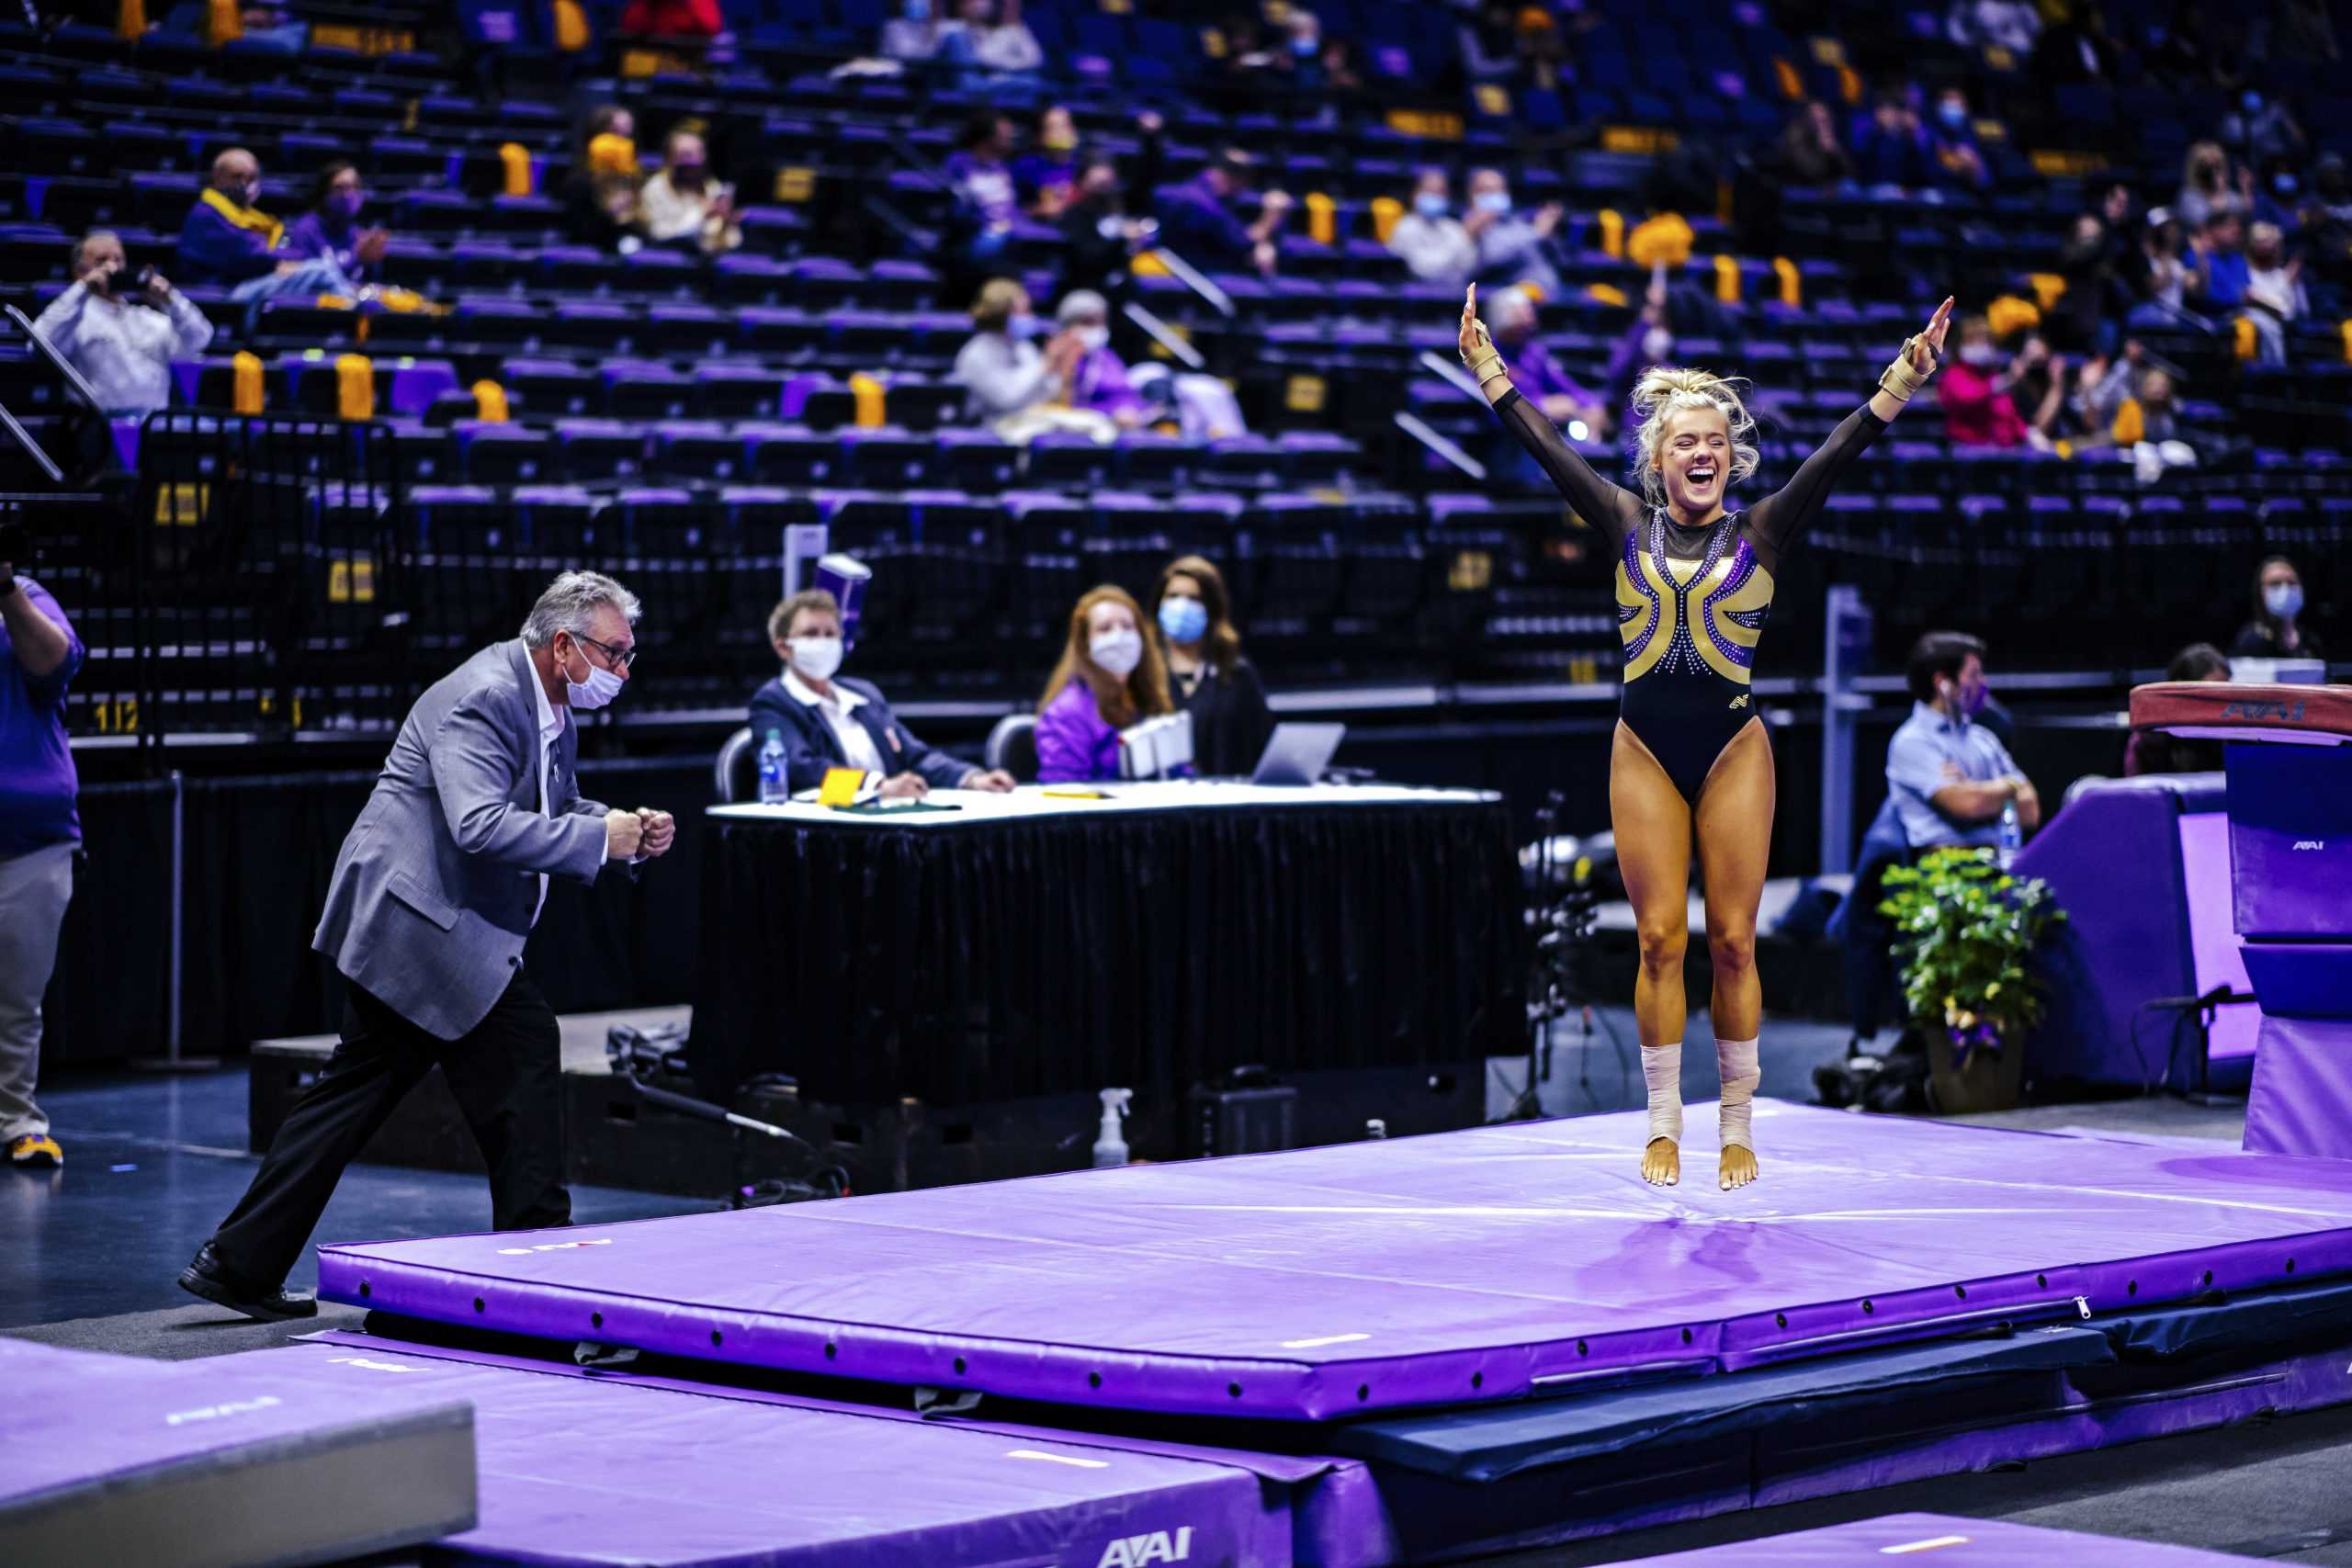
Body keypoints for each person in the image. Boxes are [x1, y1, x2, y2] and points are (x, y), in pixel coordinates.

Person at [1461, 280, 1955, 1191]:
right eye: (1684, 440)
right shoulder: (1620, 521)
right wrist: (1491, 373)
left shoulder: (1762, 533)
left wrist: (1900, 380)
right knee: (1658, 943)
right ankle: (1659, 1124)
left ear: (1732, 459)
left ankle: (1736, 1126)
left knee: (1733, 940)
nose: (1701, 453)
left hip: (1733, 750)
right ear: (1657, 457)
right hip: (1642, 747)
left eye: (1715, 442)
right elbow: (1537, 448)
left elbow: (1840, 453)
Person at [178, 572, 675, 1320]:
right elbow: (479, 822)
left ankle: (240, 1261)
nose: (622, 672)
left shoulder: (552, 707)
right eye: (616, 654)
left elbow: (554, 804)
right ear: (565, 645)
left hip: (440, 930)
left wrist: (620, 825)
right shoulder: (484, 696)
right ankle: (535, 1257)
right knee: (516, 1048)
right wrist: (601, 840)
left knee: (366, 1089)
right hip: (418, 927)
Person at [748, 589, 1013, 798]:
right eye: (811, 634)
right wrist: (875, 785)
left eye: (831, 634)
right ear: (783, 647)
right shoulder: (773, 703)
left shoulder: (863, 694)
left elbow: (914, 756)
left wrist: (971, 778)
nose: (823, 642)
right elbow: (801, 770)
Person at [0, 535, 82, 1170]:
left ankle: (19, 1121)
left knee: (18, 999)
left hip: (31, 836)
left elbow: (54, 661)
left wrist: (3, 589)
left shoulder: (25, 596)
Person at [1885, 630, 2041, 853]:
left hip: (1999, 862)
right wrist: (2011, 787)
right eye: (1974, 675)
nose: (1983, 683)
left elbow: (2030, 812)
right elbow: (1968, 805)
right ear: (1943, 683)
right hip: (1944, 870)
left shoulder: (1984, 738)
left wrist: (1982, 788)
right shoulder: (1912, 741)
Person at [30, 231, 212, 417]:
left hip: (153, 426)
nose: (112, 267)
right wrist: (83, 288)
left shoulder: (148, 319)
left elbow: (200, 339)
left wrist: (171, 300)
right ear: (80, 271)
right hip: (99, 426)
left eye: (118, 259)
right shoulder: (73, 320)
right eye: (101, 261)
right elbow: (37, 343)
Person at [176, 148, 359, 309]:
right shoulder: (208, 213)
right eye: (237, 176)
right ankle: (358, 315)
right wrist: (285, 261)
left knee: (316, 281)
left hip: (248, 284)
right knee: (320, 269)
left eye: (252, 177)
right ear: (217, 177)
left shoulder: (244, 214)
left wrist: (283, 261)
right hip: (223, 295)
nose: (245, 184)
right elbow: (251, 254)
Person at [1035, 585, 1172, 784]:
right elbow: (1064, 792)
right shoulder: (1066, 713)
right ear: (1085, 644)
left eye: (1127, 626)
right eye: (1105, 628)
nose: (1119, 636)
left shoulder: (1149, 698)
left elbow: (1177, 772)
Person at [1152, 557, 1271, 778]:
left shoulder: (1237, 674)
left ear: (1212, 608)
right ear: (1159, 604)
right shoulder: (1143, 674)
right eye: (1173, 596)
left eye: (1194, 598)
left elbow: (1263, 750)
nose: (1182, 606)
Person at [951, 278, 1111, 441]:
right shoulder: (976, 353)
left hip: (1028, 421)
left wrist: (1063, 369)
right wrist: (1046, 363)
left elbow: (1048, 395)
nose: (1030, 317)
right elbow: (1008, 400)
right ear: (1000, 313)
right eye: (1023, 312)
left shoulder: (1024, 348)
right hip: (987, 430)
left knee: (1096, 428)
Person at [1485, 285, 1609, 438]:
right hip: (1509, 439)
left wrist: (1591, 405)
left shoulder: (1533, 352)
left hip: (1545, 432)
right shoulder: (1486, 359)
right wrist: (1540, 407)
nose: (1529, 322)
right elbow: (1493, 411)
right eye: (1520, 317)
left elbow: (1565, 385)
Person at [1156, 149, 1289, 277]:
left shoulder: (1192, 189)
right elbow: (1243, 244)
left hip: (1180, 270)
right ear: (1228, 177)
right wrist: (1271, 216)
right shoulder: (1205, 205)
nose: (1242, 190)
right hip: (1192, 276)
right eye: (1241, 182)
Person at [1939, 317, 2052, 450]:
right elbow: (1968, 399)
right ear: (1960, 344)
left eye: (1987, 340)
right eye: (1974, 340)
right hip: (1968, 449)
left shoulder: (1991, 375)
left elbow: (2008, 413)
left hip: (2001, 450)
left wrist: (2028, 433)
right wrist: (2005, 381)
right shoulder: (1953, 374)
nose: (1983, 345)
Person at [2124, 643, 2230, 775]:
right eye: (2211, 693)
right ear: (2180, 686)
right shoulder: (2150, 738)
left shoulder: (2231, 735)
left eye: (2225, 692)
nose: (2219, 702)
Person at [283, 163, 389, 288]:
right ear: (324, 194)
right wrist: (357, 259)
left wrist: (370, 260)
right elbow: (306, 281)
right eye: (339, 188)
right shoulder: (306, 230)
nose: (348, 195)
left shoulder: (356, 234)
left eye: (354, 187)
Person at [637, 127, 740, 254]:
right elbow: (660, 235)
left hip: (707, 263)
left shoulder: (712, 188)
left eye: (699, 154)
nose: (694, 161)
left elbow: (729, 242)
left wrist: (727, 225)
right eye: (685, 155)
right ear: (669, 158)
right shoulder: (655, 189)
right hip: (669, 261)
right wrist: (701, 215)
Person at [1464, 167, 1563, 297]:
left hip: (1548, 293)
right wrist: (1537, 233)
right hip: (1507, 295)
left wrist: (1549, 233)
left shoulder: (1518, 223)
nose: (1494, 196)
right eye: (1487, 191)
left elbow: (1556, 256)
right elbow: (1492, 259)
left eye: (1499, 190)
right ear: (1471, 194)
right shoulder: (1471, 226)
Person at [1388, 168, 1477, 288]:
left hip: (1452, 294)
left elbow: (1467, 267)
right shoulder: (1403, 227)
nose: (1435, 196)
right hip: (1415, 293)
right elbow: (1421, 269)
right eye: (1429, 191)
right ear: (1415, 195)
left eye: (1440, 192)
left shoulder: (1455, 228)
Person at [2231, 556, 2324, 660]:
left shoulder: (2310, 641)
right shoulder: (2250, 640)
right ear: (2261, 592)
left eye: (2291, 583)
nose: (2285, 590)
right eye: (2275, 584)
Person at [2241, 220, 2306, 365]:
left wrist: (2293, 284)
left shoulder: (2284, 276)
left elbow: (2291, 312)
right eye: (2261, 242)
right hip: (2253, 335)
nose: (2267, 247)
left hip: (2284, 333)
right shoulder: (2245, 273)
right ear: (2251, 245)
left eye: (2271, 242)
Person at [1013, 104, 1081, 216]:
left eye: (1066, 125)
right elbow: (1010, 210)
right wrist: (1038, 210)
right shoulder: (1025, 166)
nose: (1061, 133)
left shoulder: (1082, 165)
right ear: (1040, 136)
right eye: (1053, 128)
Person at [1774, 100, 1852, 186]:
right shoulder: (1794, 136)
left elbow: (1849, 173)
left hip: (1826, 189)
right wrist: (1825, 149)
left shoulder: (1831, 136)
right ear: (1805, 120)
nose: (1821, 125)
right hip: (1799, 188)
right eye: (1816, 120)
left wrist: (1835, 151)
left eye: (1824, 120)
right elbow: (1811, 173)